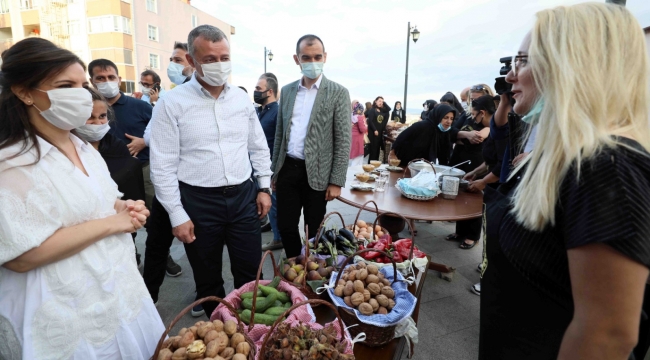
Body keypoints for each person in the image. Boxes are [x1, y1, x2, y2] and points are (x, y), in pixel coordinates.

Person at [479, 4, 650, 359]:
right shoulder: (569, 155)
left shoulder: (605, 166)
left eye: (522, 61)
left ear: (569, 64)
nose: (511, 77)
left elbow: (605, 336)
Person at [0, 37, 164, 359]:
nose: (81, 94)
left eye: (82, 84)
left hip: (117, 295)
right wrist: (111, 223)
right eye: (65, 85)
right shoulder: (12, 163)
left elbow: (101, 201)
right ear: (23, 92)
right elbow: (21, 255)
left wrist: (124, 208)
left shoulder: (84, 149)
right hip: (61, 311)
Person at [150, 25, 272, 317]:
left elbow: (258, 146)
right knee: (208, 279)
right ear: (192, 61)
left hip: (244, 197)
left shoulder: (241, 99)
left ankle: (251, 330)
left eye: (224, 57)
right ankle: (220, 329)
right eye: (210, 59)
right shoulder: (171, 103)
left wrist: (264, 187)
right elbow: (162, 165)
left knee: (250, 272)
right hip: (198, 201)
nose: (220, 65)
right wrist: (177, 214)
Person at [89, 59, 183, 278]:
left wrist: (143, 141)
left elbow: (163, 132)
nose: (107, 82)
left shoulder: (140, 106)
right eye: (100, 78)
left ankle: (161, 255)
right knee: (118, 216)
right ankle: (129, 255)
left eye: (111, 77)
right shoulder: (87, 108)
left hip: (143, 170)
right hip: (104, 174)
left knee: (152, 216)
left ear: (119, 79)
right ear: (91, 81)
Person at [272, 34, 351, 258]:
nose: (312, 62)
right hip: (288, 168)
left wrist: (336, 180)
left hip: (318, 173)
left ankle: (312, 268)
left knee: (314, 230)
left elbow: (343, 139)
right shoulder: (287, 91)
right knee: (286, 226)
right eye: (306, 57)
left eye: (317, 56)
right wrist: (274, 171)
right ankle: (296, 265)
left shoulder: (338, 92)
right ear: (297, 59)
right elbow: (280, 133)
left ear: (325, 57)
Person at [77, 87, 146, 266]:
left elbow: (127, 183)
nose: (98, 123)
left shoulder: (115, 146)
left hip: (121, 225)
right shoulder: (68, 151)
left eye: (102, 117)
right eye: (90, 117)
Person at [447, 95, 493, 249]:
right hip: (461, 161)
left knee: (475, 198)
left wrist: (463, 138)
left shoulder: (494, 123)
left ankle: (472, 236)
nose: (472, 117)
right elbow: (452, 133)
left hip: (479, 163)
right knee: (460, 196)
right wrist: (467, 136)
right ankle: (460, 232)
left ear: (483, 111)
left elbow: (483, 140)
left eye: (474, 97)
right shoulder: (467, 116)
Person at [255, 74, 283, 251]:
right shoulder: (261, 110)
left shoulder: (277, 112)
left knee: (273, 201)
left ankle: (278, 238)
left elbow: (279, 142)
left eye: (258, 89)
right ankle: (272, 226)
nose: (255, 92)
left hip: (271, 165)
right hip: (259, 164)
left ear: (270, 91)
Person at [389, 103, 458, 167]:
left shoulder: (444, 133)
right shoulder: (422, 126)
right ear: (438, 116)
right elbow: (402, 137)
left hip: (425, 168)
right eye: (445, 117)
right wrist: (392, 154)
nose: (449, 121)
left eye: (451, 119)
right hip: (407, 165)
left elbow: (443, 156)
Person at [366, 96, 391, 163]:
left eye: (382, 102)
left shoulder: (382, 111)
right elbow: (370, 121)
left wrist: (384, 103)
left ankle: (375, 165)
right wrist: (374, 130)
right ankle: (370, 165)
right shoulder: (372, 110)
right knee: (373, 151)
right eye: (379, 101)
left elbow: (389, 109)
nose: (381, 103)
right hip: (373, 133)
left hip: (379, 133)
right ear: (375, 101)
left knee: (377, 150)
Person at [349, 100, 367, 167]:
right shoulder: (359, 117)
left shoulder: (351, 116)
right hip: (358, 138)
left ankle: (358, 171)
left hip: (352, 136)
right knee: (358, 155)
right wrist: (366, 127)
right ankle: (353, 171)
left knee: (355, 154)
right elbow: (362, 129)